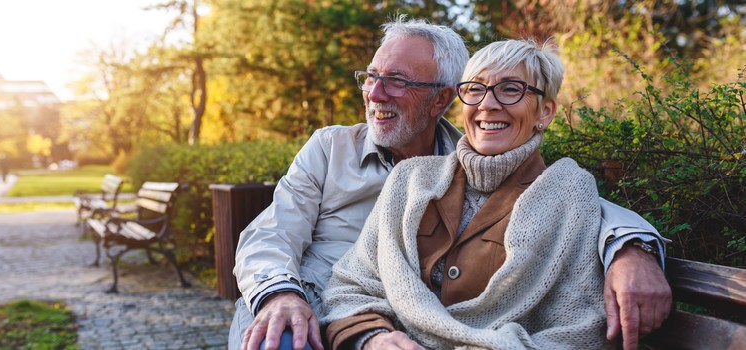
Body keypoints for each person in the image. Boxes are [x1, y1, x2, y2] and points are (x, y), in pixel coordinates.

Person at [230, 17, 670, 350]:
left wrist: (632, 247)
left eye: (397, 81)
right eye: (371, 77)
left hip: (382, 325)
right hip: (304, 304)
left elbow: (565, 198)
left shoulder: (471, 157)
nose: (375, 93)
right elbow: (272, 232)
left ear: (442, 98)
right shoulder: (332, 148)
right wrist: (279, 295)